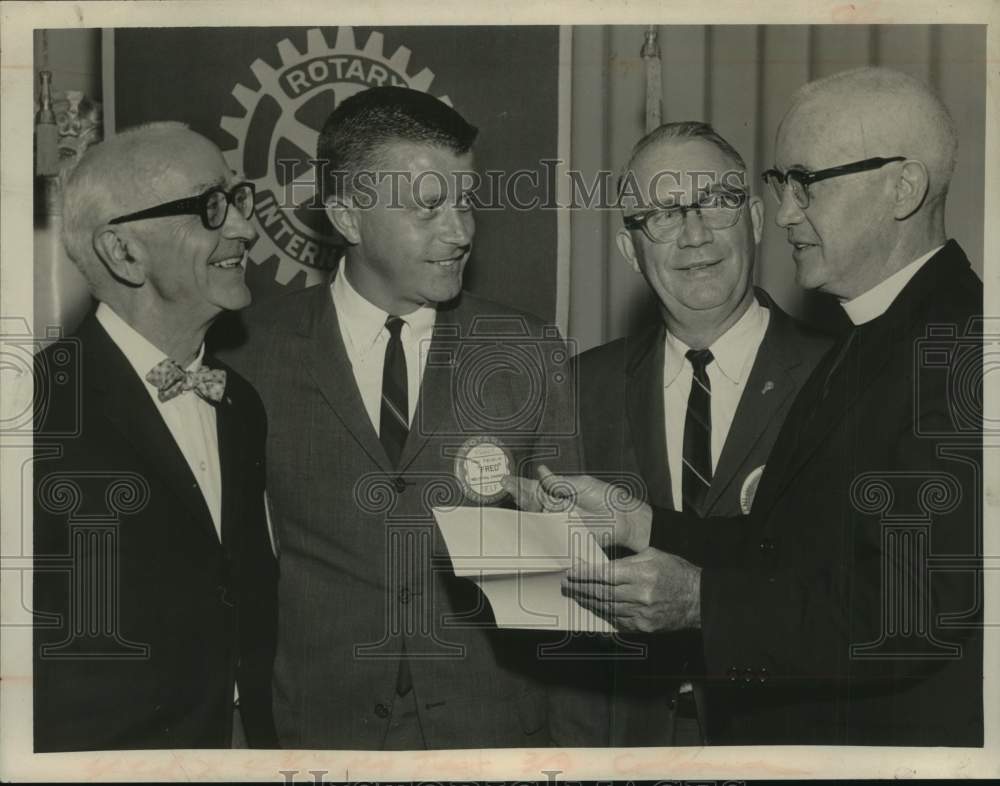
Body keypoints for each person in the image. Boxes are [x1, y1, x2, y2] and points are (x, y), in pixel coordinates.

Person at [509, 67, 984, 746]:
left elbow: (913, 612)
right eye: (780, 186)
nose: (787, 211)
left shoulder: (958, 349)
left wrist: (702, 600)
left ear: (902, 188)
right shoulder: (878, 337)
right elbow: (790, 549)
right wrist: (639, 522)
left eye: (805, 183)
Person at [220, 86, 591, 749]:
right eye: (428, 208)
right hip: (321, 734)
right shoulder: (249, 355)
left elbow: (566, 587)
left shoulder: (528, 350)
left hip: (494, 735)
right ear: (348, 216)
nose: (461, 232)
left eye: (466, 203)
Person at [574, 121, 830, 745]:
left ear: (755, 219)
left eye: (715, 202)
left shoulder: (839, 376)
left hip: (784, 742)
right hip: (623, 744)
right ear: (630, 249)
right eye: (663, 214)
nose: (695, 235)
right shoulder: (580, 388)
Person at [33, 122, 278, 751]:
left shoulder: (241, 403)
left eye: (239, 199)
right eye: (209, 207)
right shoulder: (31, 410)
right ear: (124, 252)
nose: (246, 229)